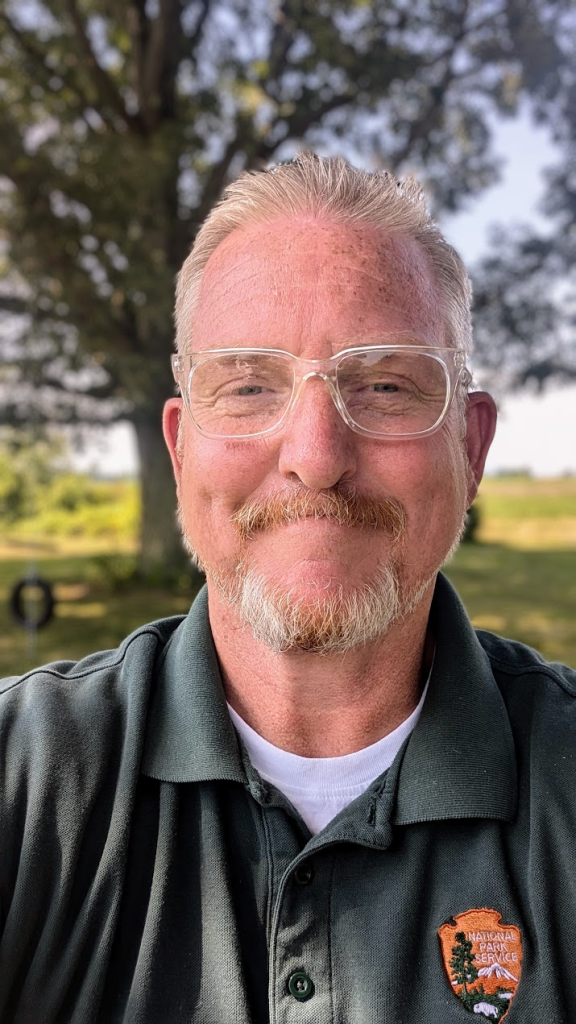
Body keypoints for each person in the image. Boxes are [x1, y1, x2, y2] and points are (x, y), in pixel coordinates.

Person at [1, 154, 574, 1024]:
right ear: (181, 444)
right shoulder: (24, 778)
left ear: (471, 446)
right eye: (248, 386)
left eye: (385, 386)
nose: (315, 455)